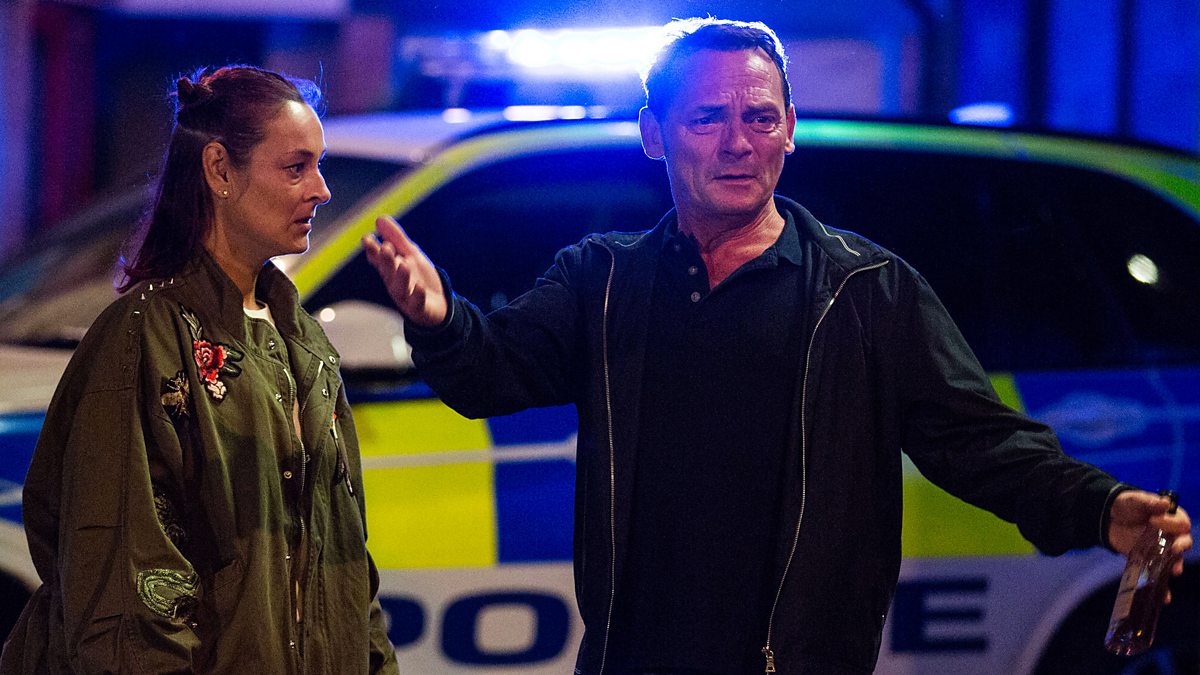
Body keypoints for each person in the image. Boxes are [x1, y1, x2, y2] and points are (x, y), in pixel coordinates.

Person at [362, 18, 1193, 675]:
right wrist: (437, 317)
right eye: (707, 118)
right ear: (654, 134)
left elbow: (980, 442)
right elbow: (492, 372)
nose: (738, 142)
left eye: (760, 117)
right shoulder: (602, 279)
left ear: (789, 129)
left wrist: (1099, 506)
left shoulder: (866, 291)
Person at [1, 66, 398, 674]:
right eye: (296, 167)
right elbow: (127, 595)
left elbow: (346, 566)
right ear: (219, 170)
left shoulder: (304, 340)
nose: (321, 189)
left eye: (318, 166)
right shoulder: (146, 339)